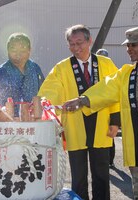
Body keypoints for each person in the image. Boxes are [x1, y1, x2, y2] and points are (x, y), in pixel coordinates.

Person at [63, 25, 138, 199]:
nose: (129, 49)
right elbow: (105, 89)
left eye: (134, 45)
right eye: (127, 46)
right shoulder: (125, 73)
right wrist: (82, 100)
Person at [38, 24, 120, 200]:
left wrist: (115, 121)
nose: (76, 47)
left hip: (101, 126)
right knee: (79, 176)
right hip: (75, 126)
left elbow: (115, 91)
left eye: (80, 42)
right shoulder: (62, 67)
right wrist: (41, 102)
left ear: (89, 41)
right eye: (71, 44)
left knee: (102, 175)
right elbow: (50, 90)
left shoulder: (105, 64)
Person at [0, 32, 45, 116]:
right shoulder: (0, 73)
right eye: (13, 50)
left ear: (29, 50)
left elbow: (43, 93)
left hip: (33, 120)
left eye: (23, 50)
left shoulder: (35, 68)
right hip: (9, 123)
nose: (18, 54)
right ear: (7, 50)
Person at [96, 48, 116, 168]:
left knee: (110, 137)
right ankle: (102, 161)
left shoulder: (110, 68)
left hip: (108, 108)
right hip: (96, 108)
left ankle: (110, 160)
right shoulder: (93, 69)